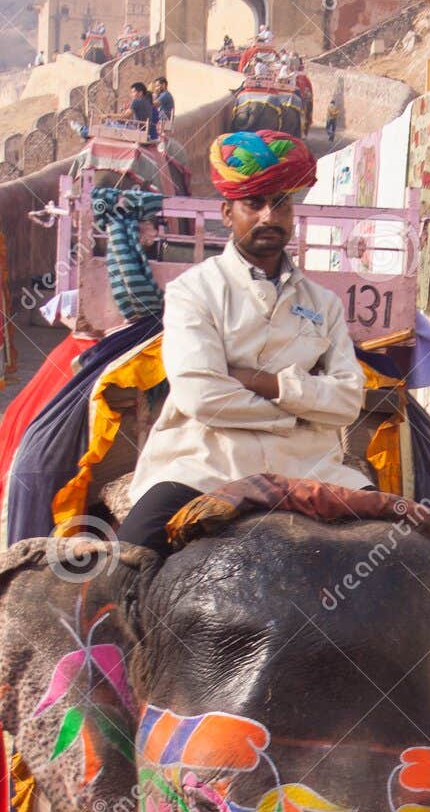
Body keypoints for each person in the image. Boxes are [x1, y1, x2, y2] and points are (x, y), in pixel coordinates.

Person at [116, 131, 372, 555]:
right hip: (204, 466)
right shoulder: (192, 291)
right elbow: (202, 396)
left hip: (311, 469)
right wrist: (301, 412)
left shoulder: (323, 304)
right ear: (226, 213)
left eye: (281, 203)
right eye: (254, 203)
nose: (270, 216)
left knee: (405, 552)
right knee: (126, 563)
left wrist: (263, 383)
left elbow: (348, 400)